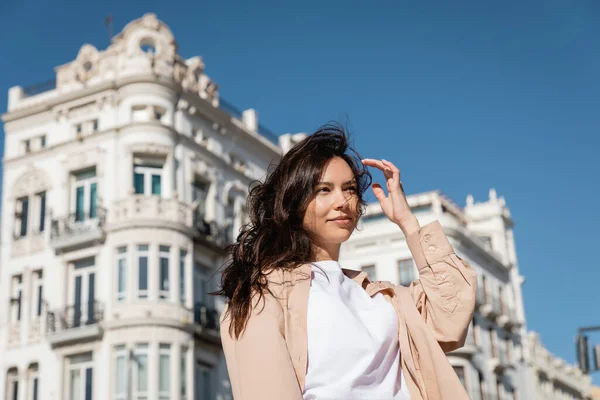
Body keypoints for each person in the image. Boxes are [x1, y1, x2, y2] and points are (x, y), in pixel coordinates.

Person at [217, 124, 477, 400]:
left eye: (350, 189)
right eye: (324, 190)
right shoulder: (265, 293)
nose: (342, 201)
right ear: (294, 202)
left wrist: (408, 223)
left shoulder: (385, 299)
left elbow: (452, 318)